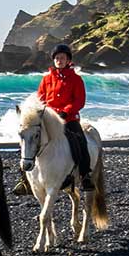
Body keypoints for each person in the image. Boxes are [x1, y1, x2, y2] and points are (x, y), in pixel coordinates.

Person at [37, 44, 94, 192]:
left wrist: (65, 112)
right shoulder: (46, 79)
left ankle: (85, 175)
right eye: (57, 58)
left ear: (68, 60)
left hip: (69, 119)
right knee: (30, 139)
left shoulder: (76, 79)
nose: (59, 60)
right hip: (49, 118)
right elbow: (40, 99)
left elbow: (79, 101)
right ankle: (25, 178)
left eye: (62, 58)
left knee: (80, 141)